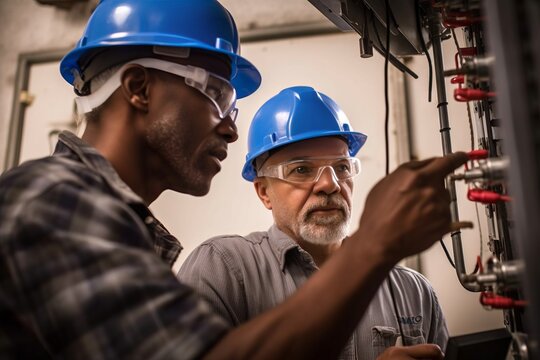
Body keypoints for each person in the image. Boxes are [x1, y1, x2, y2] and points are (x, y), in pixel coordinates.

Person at [0, 0, 468, 359]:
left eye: (341, 167)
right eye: (217, 95)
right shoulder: (54, 201)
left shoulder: (120, 230)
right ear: (139, 88)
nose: (231, 127)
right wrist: (375, 245)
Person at [178, 86, 449, 359]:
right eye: (301, 169)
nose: (330, 184)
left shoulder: (414, 291)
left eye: (342, 167)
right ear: (264, 192)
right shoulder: (224, 270)